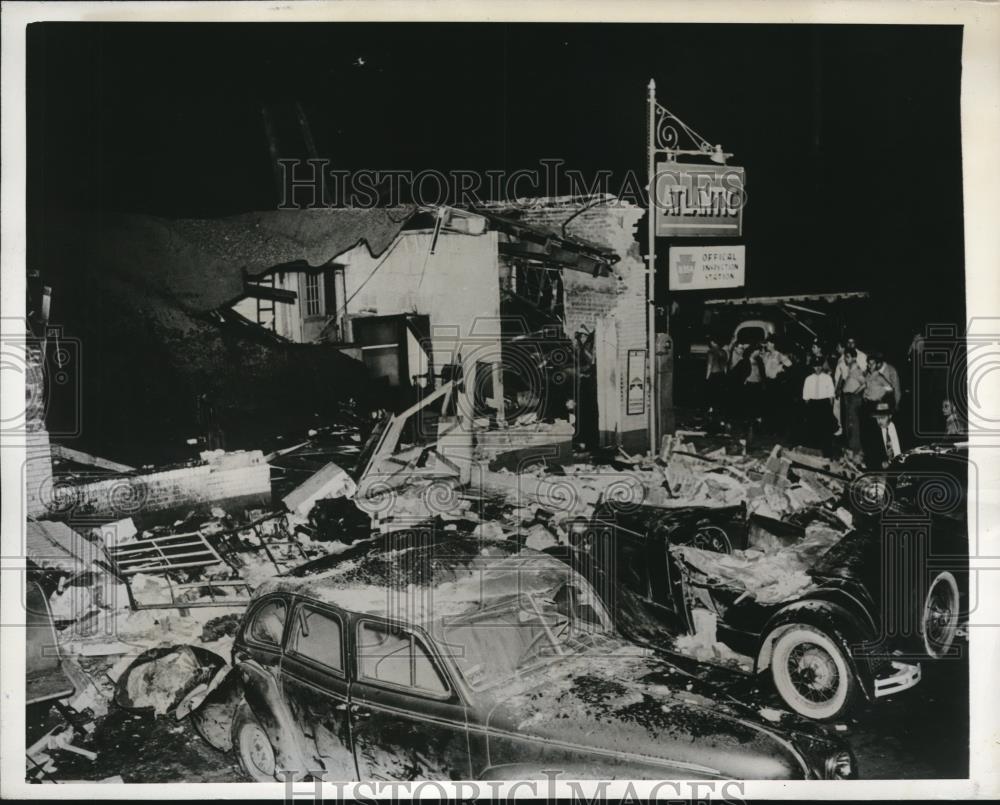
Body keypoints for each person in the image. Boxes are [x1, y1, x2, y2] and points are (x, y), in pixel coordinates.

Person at [802, 358, 836, 455]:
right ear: (812, 367)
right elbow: (806, 396)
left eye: (819, 366)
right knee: (813, 427)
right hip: (813, 404)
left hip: (824, 404)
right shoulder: (808, 379)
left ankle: (826, 451)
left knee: (825, 428)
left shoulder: (827, 378)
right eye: (815, 366)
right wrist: (808, 408)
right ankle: (814, 449)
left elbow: (831, 395)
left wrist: (830, 409)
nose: (817, 368)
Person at [836, 349, 866, 456]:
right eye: (845, 357)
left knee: (854, 423)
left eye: (847, 357)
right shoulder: (850, 369)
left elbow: (864, 383)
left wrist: (855, 393)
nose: (845, 359)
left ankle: (855, 448)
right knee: (848, 423)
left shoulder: (857, 370)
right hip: (848, 398)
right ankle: (850, 446)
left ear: (854, 358)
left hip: (853, 399)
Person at [862, 400, 902, 470]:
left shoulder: (901, 427)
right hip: (889, 474)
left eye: (882, 417)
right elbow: (869, 459)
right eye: (877, 418)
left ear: (890, 415)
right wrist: (881, 465)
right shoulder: (873, 433)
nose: (879, 421)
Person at [705, 336, 728, 428]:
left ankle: (711, 411)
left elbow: (709, 365)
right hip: (722, 375)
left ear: (713, 342)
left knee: (712, 395)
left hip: (713, 375)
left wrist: (707, 377)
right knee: (720, 396)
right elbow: (725, 366)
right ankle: (720, 416)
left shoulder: (711, 352)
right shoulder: (724, 352)